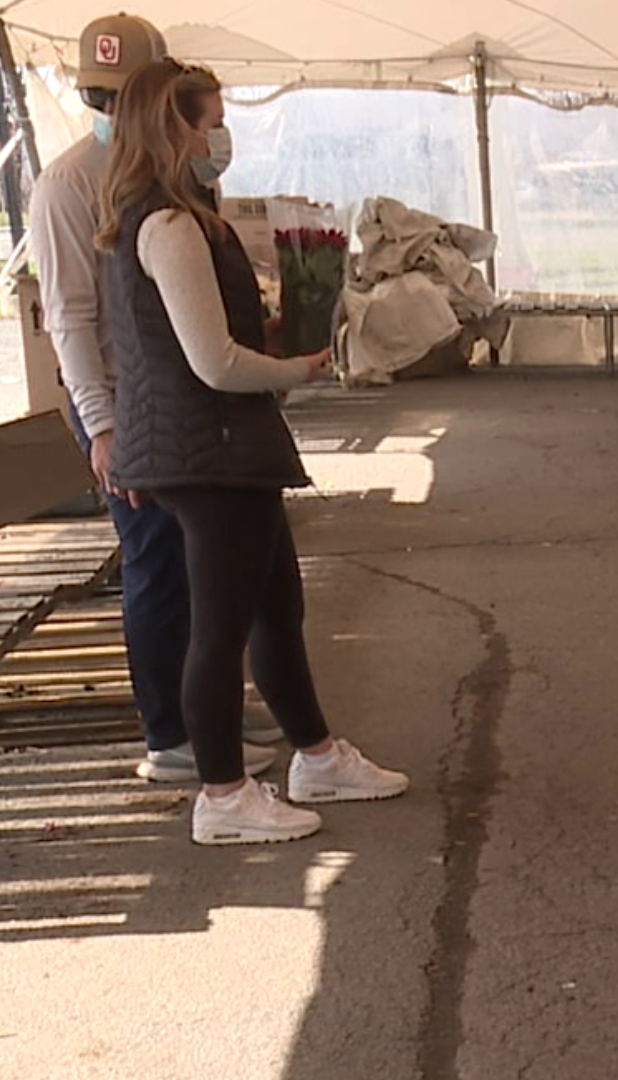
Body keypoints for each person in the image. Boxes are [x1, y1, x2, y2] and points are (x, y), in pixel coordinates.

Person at [96, 59, 408, 845]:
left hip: (212, 444)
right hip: (211, 449)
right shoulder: (167, 225)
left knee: (275, 607)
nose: (220, 138)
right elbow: (212, 363)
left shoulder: (169, 217)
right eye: (210, 123)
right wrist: (295, 368)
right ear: (175, 130)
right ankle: (224, 795)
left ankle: (316, 755)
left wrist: (270, 340)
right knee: (222, 626)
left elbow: (187, 343)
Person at [28, 13, 279, 783]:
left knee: (211, 555)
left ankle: (209, 716)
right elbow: (71, 315)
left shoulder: (176, 170)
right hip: (120, 395)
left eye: (125, 96)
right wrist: (102, 426)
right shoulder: (68, 183)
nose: (111, 114)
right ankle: (168, 731)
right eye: (99, 99)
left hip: (180, 388)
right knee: (155, 556)